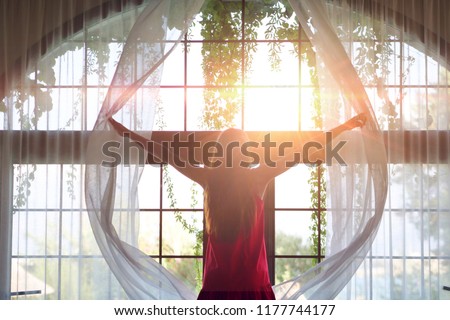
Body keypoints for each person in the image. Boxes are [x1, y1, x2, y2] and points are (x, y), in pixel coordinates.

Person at [108, 113, 367, 300]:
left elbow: (166, 154)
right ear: (245, 152)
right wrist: (344, 126)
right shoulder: (256, 179)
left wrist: (128, 134)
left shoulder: (211, 179)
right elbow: (302, 150)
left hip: (217, 288)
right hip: (252, 287)